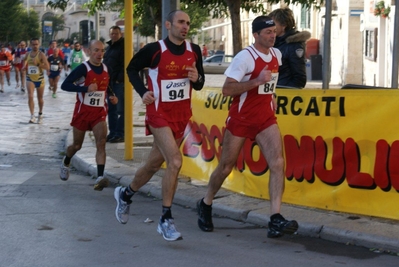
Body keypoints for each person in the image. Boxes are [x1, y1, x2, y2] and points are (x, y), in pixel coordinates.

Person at [196, 15, 298, 238]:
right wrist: (257, 82)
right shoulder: (245, 57)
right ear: (256, 35)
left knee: (278, 163)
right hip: (241, 120)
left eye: (274, 32)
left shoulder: (276, 54)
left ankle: (275, 218)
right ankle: (206, 203)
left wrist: (272, 95)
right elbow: (227, 90)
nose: (273, 36)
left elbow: (268, 83)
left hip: (265, 119)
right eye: (268, 33)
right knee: (225, 167)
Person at [114, 10, 205, 241]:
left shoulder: (194, 51)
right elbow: (131, 69)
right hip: (159, 115)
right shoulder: (154, 50)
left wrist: (197, 79)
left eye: (188, 23)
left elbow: (200, 82)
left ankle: (125, 194)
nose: (185, 27)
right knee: (175, 161)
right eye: (181, 22)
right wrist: (143, 91)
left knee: (154, 164)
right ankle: (166, 219)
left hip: (181, 117)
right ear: (168, 25)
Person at [59, 40, 118, 191]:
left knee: (101, 142)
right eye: (96, 50)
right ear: (89, 51)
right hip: (82, 113)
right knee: (77, 146)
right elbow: (65, 85)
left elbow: (108, 86)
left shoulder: (107, 69)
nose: (100, 54)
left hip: (99, 113)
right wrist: (86, 88)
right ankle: (66, 161)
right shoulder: (82, 69)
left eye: (102, 51)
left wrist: (112, 96)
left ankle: (99, 177)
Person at [269, 7, 310, 89]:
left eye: (273, 24)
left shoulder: (294, 45)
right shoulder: (275, 43)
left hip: (283, 95)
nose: (270, 27)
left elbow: (299, 79)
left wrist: (285, 94)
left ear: (283, 25)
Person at [103, 25, 125, 143]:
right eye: (112, 33)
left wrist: (119, 79)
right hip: (109, 82)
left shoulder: (124, 46)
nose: (114, 35)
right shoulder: (109, 47)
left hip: (118, 82)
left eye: (116, 33)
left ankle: (120, 133)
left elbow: (125, 64)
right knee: (111, 109)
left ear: (120, 34)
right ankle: (112, 133)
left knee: (120, 109)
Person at [21, 38, 49, 123]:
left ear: (39, 45)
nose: (35, 46)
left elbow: (47, 67)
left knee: (40, 98)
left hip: (40, 79)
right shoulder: (28, 54)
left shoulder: (41, 55)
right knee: (30, 96)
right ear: (30, 45)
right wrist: (24, 66)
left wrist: (37, 64)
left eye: (36, 44)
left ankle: (40, 114)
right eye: (33, 44)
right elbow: (24, 60)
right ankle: (32, 116)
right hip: (30, 78)